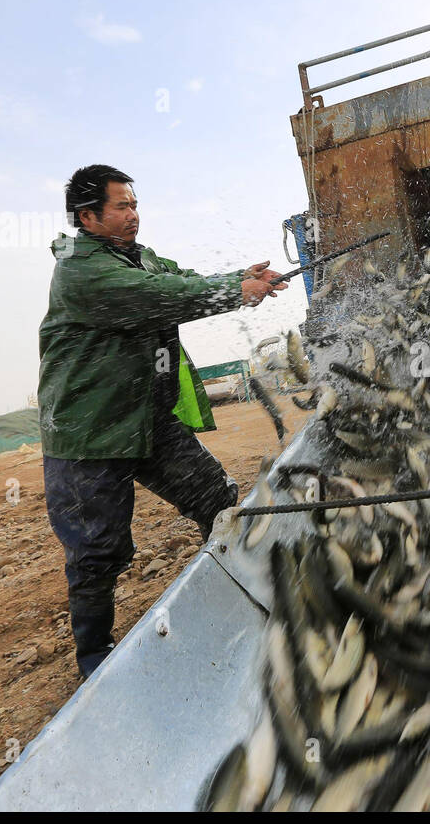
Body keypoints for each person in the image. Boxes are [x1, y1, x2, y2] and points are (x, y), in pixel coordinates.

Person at [37, 164, 287, 678]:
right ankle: (94, 661)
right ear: (88, 217)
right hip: (91, 434)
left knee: (216, 497)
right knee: (97, 552)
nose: (133, 215)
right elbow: (161, 298)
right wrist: (236, 293)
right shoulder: (84, 272)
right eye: (121, 207)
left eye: (134, 205)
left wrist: (244, 276)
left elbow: (183, 280)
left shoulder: (139, 257)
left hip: (146, 420)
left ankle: (234, 594)